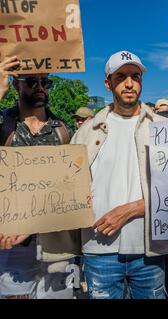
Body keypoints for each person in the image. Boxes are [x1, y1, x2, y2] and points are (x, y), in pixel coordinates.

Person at [70, 51, 168, 299]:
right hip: (97, 250)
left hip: (148, 251)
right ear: (108, 83)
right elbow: (71, 186)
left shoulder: (163, 129)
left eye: (135, 76)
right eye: (121, 76)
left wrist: (134, 208)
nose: (129, 83)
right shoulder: (86, 132)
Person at [0, 56, 77, 299]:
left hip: (57, 241)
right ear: (16, 85)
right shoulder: (4, 124)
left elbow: (71, 186)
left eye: (46, 82)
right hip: (12, 242)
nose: (40, 88)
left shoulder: (63, 130)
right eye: (32, 82)